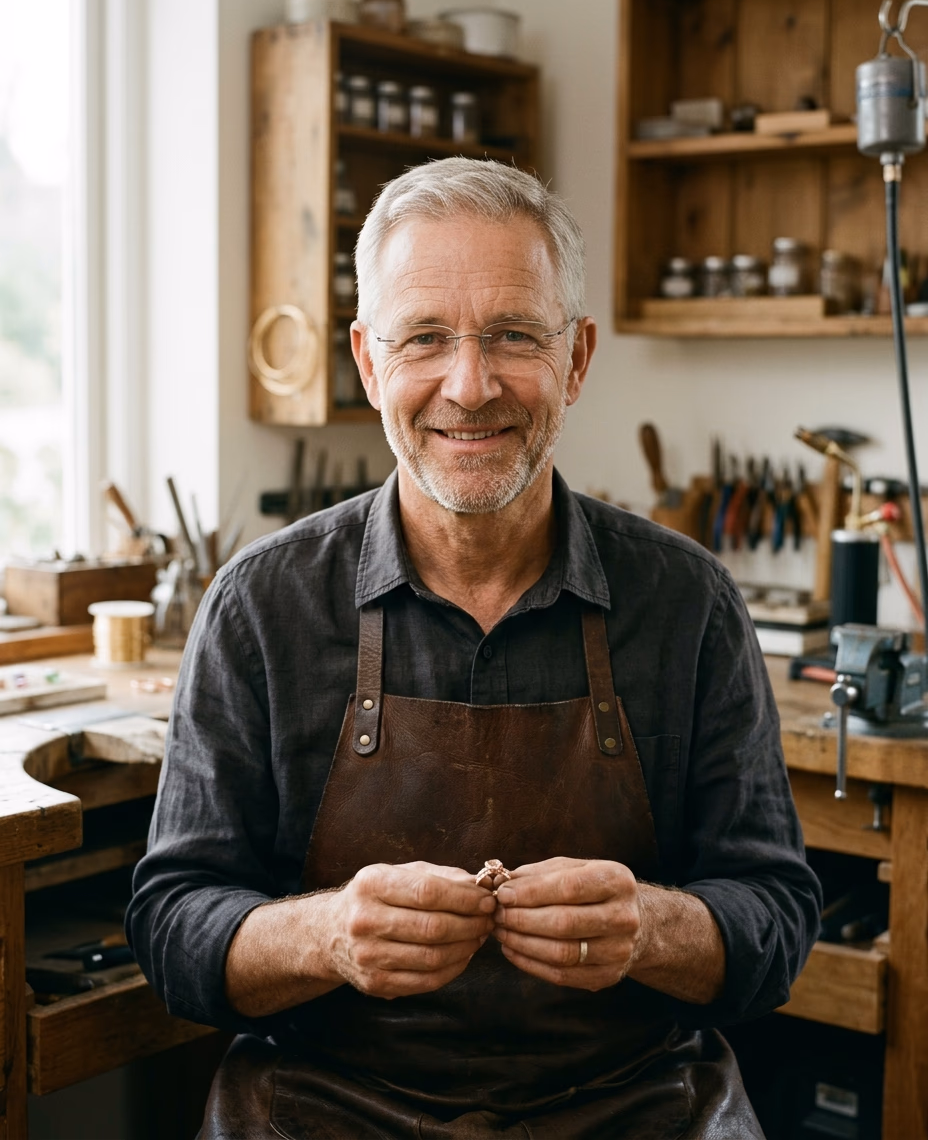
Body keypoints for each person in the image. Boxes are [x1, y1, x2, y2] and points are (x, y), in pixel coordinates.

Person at [127, 157, 821, 1138]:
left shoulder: (687, 602)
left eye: (512, 336)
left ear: (576, 359)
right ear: (368, 362)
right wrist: (322, 934)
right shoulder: (259, 605)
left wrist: (649, 928)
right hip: (328, 1106)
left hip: (630, 1103)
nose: (470, 384)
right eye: (425, 339)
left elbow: (777, 924)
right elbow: (169, 930)